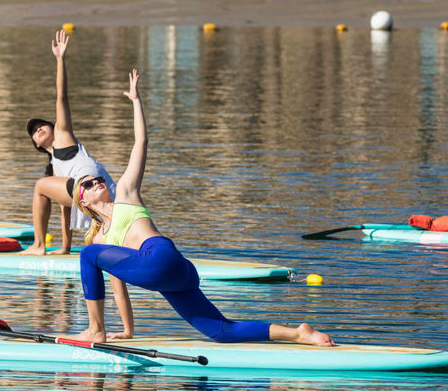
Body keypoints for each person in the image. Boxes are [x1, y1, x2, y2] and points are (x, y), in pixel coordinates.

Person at [71, 69, 334, 346]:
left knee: (87, 254)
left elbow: (141, 143)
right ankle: (298, 333)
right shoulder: (102, 239)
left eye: (99, 179)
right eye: (88, 184)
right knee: (221, 331)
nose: (97, 182)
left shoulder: (126, 192)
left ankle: (94, 330)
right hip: (179, 275)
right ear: (83, 203)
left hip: (162, 258)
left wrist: (136, 101)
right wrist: (127, 331)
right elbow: (118, 291)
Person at [22, 30, 116, 255]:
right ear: (36, 144)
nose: (39, 129)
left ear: (54, 127)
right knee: (102, 243)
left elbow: (61, 96)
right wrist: (65, 247)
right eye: (34, 132)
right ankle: (62, 247)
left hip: (97, 188)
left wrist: (60, 59)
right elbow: (66, 207)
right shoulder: (56, 166)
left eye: (42, 125)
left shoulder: (63, 135)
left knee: (39, 186)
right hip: (97, 191)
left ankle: (38, 246)